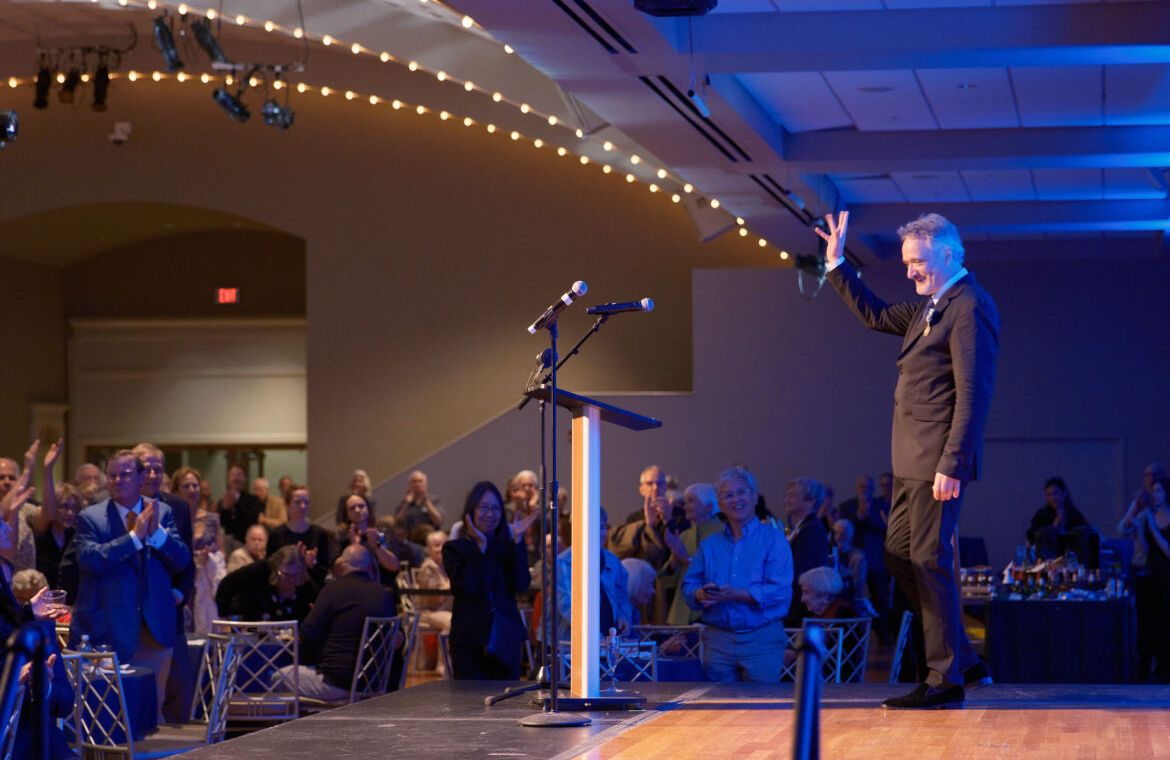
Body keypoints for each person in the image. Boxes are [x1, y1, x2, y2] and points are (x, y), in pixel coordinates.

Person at [820, 210, 999, 709]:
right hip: (909, 461)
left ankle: (944, 681)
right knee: (900, 555)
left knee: (928, 561)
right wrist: (836, 266)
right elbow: (876, 314)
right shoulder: (932, 306)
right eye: (906, 262)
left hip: (937, 463)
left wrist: (954, 464)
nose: (909, 271)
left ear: (947, 254)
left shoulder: (969, 306)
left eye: (916, 261)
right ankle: (962, 657)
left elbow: (973, 393)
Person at [69, 449, 192, 710]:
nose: (116, 481)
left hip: (153, 628)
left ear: (140, 477)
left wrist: (156, 535)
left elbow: (182, 560)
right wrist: (134, 538)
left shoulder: (163, 512)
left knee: (152, 710)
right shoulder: (90, 517)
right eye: (111, 475)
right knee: (111, 711)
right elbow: (90, 560)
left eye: (124, 475)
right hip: (110, 628)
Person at [682, 466, 793, 682]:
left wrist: (737, 594)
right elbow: (688, 587)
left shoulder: (774, 540)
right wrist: (700, 595)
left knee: (762, 711)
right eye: (728, 495)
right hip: (718, 641)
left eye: (742, 492)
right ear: (720, 504)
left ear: (754, 497)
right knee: (718, 711)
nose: (736, 499)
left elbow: (779, 591)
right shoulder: (709, 545)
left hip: (762, 639)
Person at [272, 545, 397, 700]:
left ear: (343, 564)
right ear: (368, 566)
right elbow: (397, 638)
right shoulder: (383, 594)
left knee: (278, 676)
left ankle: (299, 723)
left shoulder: (333, 589)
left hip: (337, 683)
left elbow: (308, 633)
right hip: (373, 683)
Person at [442, 481, 533, 680]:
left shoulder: (507, 546)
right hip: (469, 641)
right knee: (469, 706)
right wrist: (480, 550)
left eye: (495, 508)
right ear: (471, 510)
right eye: (484, 507)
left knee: (507, 704)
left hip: (504, 637)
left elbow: (521, 583)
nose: (490, 514)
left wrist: (518, 542)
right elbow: (467, 588)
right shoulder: (455, 549)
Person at [555, 506, 634, 645]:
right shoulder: (564, 563)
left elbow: (622, 595)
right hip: (570, 645)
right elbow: (567, 605)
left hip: (607, 641)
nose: (600, 532)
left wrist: (624, 616)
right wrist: (593, 637)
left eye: (603, 527)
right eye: (593, 526)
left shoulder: (613, 561)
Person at [664, 483, 723, 625]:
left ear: (708, 506)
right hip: (680, 615)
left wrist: (684, 557)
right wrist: (675, 559)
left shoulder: (724, 535)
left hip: (711, 614)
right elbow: (666, 583)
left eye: (691, 501)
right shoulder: (684, 536)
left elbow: (719, 575)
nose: (685, 507)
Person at [215, 545, 318, 623]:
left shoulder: (305, 581)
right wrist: (224, 619)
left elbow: (318, 602)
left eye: (295, 575)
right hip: (254, 624)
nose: (290, 580)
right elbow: (226, 585)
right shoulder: (258, 571)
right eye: (285, 575)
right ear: (276, 568)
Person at [1130, 477, 1170, 680]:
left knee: (1166, 624)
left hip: (1167, 578)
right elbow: (1146, 550)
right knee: (1149, 625)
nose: (1155, 495)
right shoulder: (1149, 516)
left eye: (1159, 491)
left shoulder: (1164, 518)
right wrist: (1140, 530)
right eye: (1153, 492)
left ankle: (1165, 670)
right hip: (1151, 577)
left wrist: (1153, 528)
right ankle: (1146, 671)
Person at [784, 477, 831, 626]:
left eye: (792, 496)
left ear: (810, 501)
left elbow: (801, 570)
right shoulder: (801, 528)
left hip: (800, 605)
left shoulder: (811, 530)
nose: (787, 500)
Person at [331, 494, 400, 590]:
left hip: (382, 589)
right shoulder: (342, 535)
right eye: (352, 508)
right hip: (353, 590)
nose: (357, 510)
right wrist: (355, 546)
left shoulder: (381, 532)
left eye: (361, 506)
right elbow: (336, 572)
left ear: (368, 509)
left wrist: (377, 547)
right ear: (347, 514)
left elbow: (394, 566)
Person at [268, 485, 331, 587]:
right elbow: (270, 567)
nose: (303, 506)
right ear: (287, 505)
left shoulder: (319, 534)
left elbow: (324, 570)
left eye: (306, 502)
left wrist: (312, 564)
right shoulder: (276, 535)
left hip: (311, 590)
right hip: (283, 589)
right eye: (298, 502)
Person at [1026, 477, 1091, 557]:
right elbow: (1032, 536)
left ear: (1064, 493)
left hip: (1073, 554)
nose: (1053, 498)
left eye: (1055, 493)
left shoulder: (1073, 513)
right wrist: (1054, 527)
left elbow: (1086, 531)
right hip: (1048, 557)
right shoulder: (1041, 515)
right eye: (1049, 495)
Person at [218, 465, 265, 546]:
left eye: (239, 475)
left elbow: (253, 520)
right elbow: (220, 524)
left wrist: (236, 503)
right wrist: (225, 509)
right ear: (228, 479)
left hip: (246, 543)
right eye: (233, 475)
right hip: (228, 543)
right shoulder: (223, 500)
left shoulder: (253, 500)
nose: (236, 478)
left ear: (244, 479)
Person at [395, 470, 443, 544]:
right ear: (409, 485)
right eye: (414, 481)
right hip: (410, 541)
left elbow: (438, 521)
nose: (417, 484)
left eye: (420, 481)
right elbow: (397, 523)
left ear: (425, 484)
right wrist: (406, 504)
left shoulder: (434, 500)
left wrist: (426, 502)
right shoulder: (403, 503)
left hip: (430, 540)